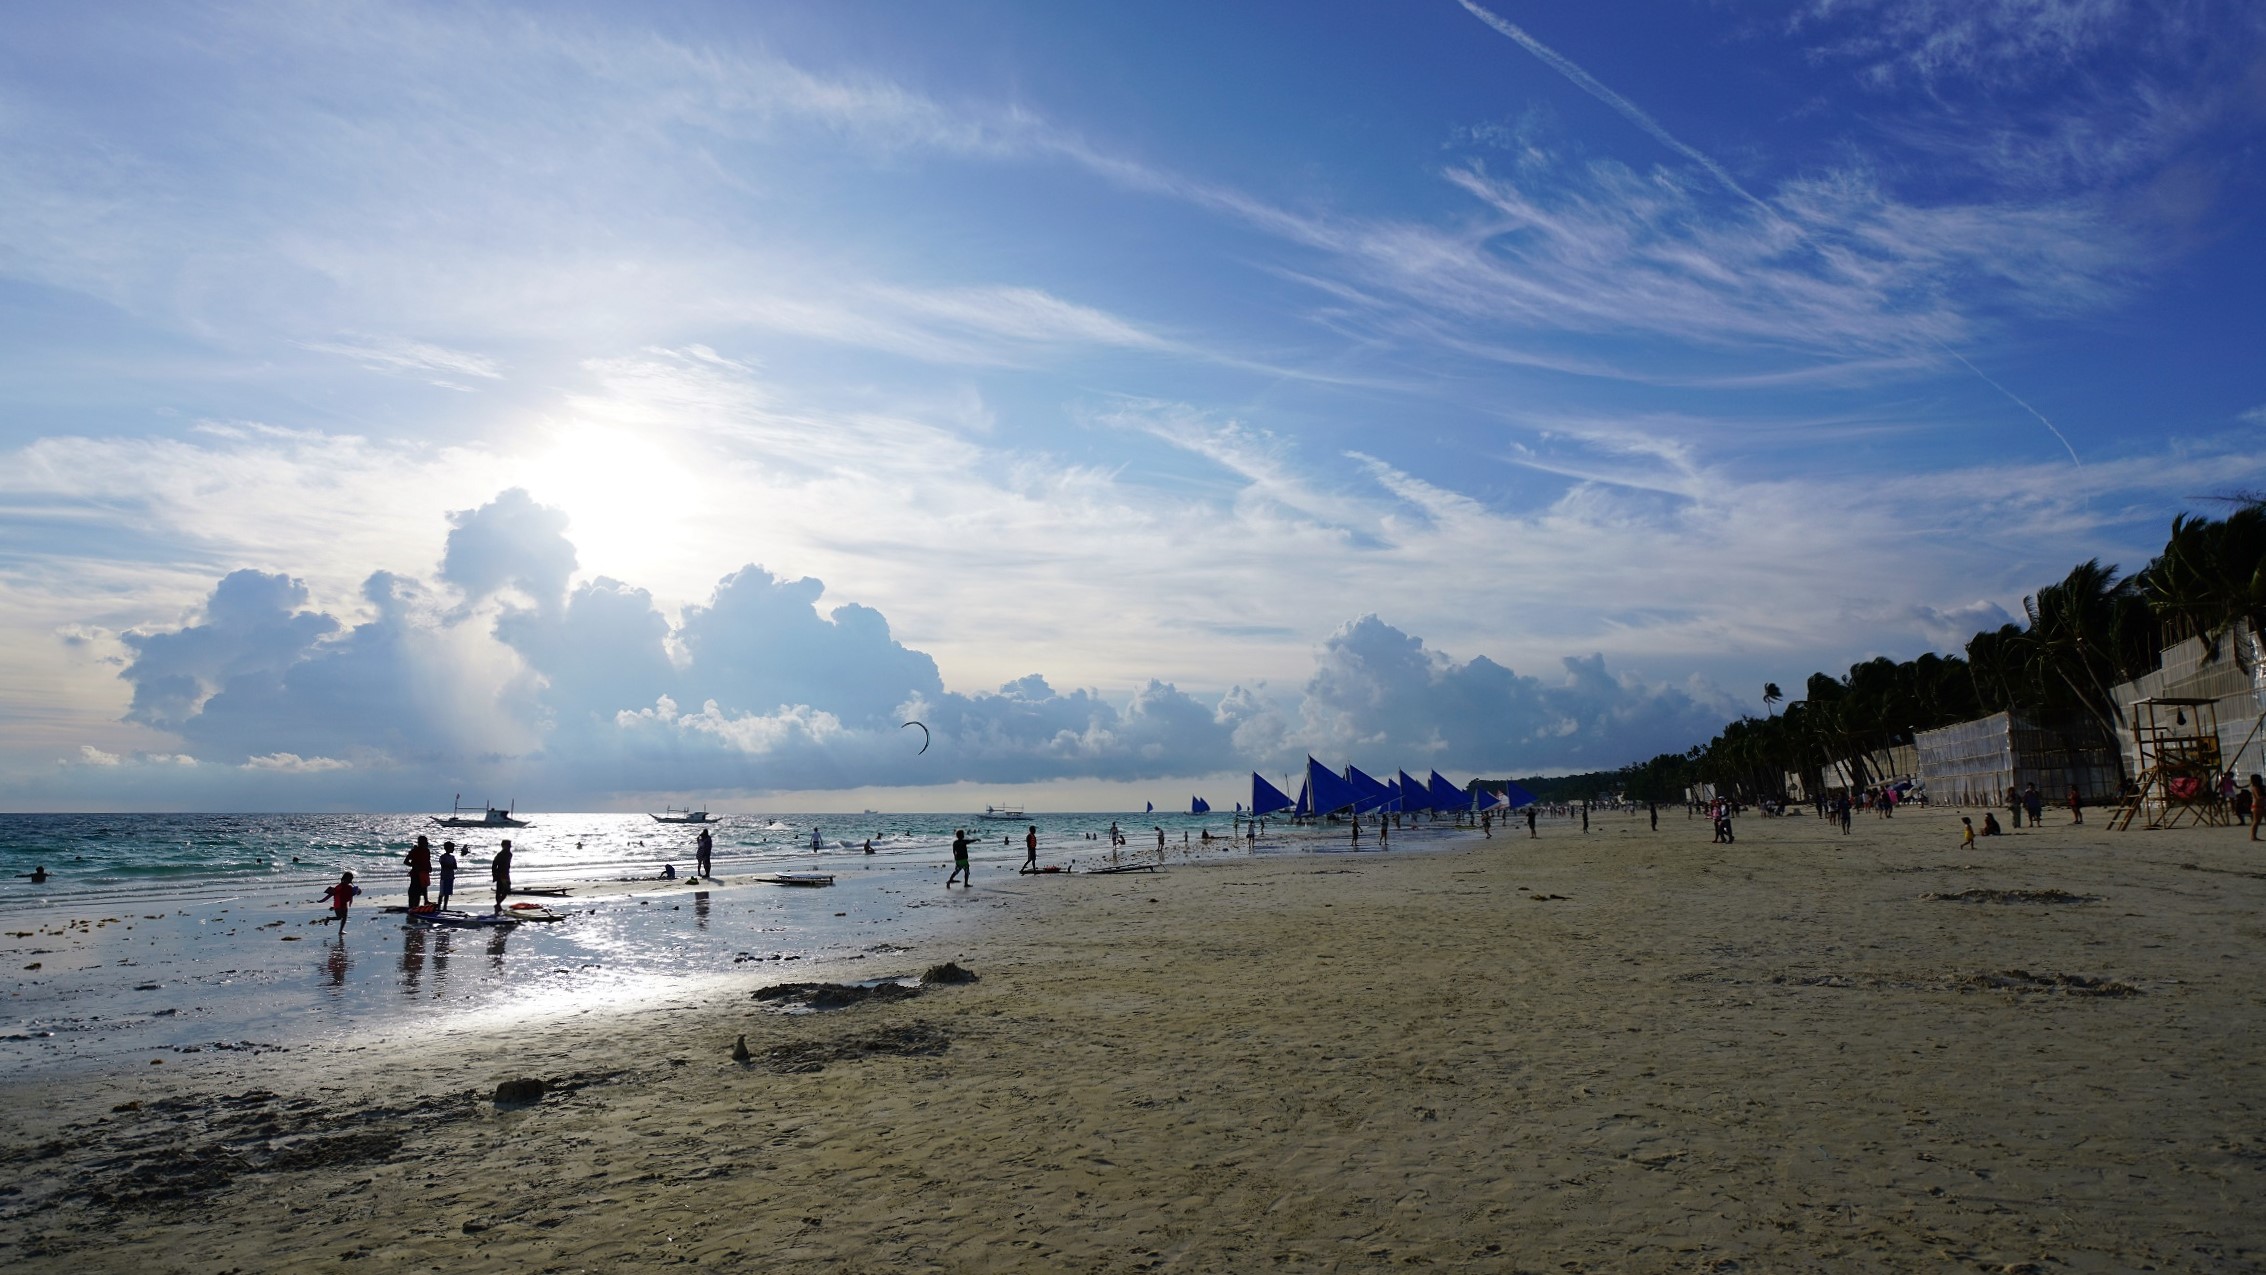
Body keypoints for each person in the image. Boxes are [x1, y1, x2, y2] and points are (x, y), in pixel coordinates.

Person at [404, 835, 432, 909]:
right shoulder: (414, 851)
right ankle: (411, 906)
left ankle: (421, 904)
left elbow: (428, 860)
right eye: (422, 843)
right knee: (413, 890)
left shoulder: (427, 851)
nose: (424, 844)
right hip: (415, 873)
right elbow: (406, 861)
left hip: (424, 873)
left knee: (422, 889)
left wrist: (429, 866)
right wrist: (414, 865)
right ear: (419, 843)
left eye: (425, 842)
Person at [490, 839, 514, 913]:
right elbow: (494, 864)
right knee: (502, 891)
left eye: (510, 845)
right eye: (508, 845)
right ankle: (498, 905)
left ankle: (498, 905)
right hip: (501, 874)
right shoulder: (500, 854)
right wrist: (494, 874)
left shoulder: (509, 854)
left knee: (504, 891)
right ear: (503, 846)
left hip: (505, 874)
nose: (510, 846)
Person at [437, 842, 458, 910]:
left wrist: (449, 866)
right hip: (444, 876)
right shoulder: (443, 857)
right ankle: (439, 906)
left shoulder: (452, 857)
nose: (453, 849)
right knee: (442, 892)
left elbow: (455, 866)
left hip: (450, 876)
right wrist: (450, 866)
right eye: (452, 848)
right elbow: (443, 865)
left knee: (447, 893)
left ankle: (445, 906)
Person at [2251, 774, 2265, 842]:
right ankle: (2253, 836)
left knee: (2257, 821)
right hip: (2257, 806)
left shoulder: (2262, 787)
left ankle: (2254, 836)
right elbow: (2258, 797)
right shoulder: (2255, 788)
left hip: (2263, 806)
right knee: (2256, 821)